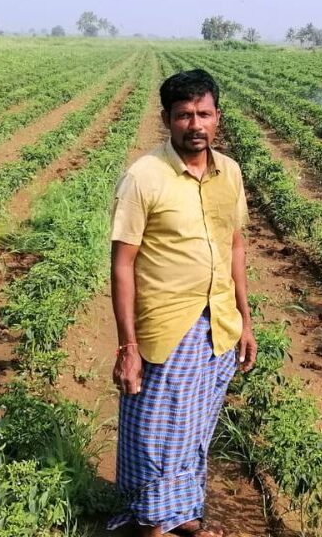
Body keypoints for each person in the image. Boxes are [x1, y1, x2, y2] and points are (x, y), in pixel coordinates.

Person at [108, 69, 257, 537]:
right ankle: (154, 524)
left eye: (204, 114)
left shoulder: (228, 172)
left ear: (218, 117)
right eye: (184, 115)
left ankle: (183, 514)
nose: (196, 124)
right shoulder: (144, 176)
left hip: (220, 319)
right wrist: (126, 347)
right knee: (155, 429)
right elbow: (123, 263)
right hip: (168, 322)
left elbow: (235, 245)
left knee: (196, 428)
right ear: (167, 120)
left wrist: (246, 323)